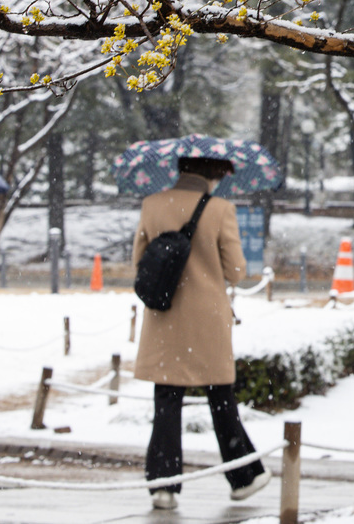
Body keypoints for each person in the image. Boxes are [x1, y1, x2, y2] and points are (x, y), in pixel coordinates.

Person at [133, 156, 271, 511]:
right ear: (214, 175)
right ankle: (243, 476)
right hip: (207, 317)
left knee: (166, 400)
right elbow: (237, 271)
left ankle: (163, 486)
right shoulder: (221, 209)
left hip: (165, 314)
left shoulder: (152, 204)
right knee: (220, 398)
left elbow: (140, 261)